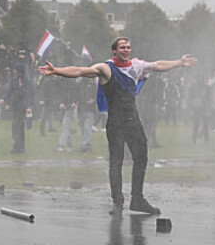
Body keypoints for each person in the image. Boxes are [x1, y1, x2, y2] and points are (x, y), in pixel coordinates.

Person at [39, 37, 197, 215]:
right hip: (116, 122)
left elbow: (158, 65)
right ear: (114, 51)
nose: (126, 50)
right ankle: (118, 202)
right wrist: (55, 71)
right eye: (122, 47)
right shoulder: (106, 68)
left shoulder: (136, 66)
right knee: (116, 162)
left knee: (141, 158)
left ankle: (137, 199)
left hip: (133, 120)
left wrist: (180, 62)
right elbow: (79, 71)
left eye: (128, 47)